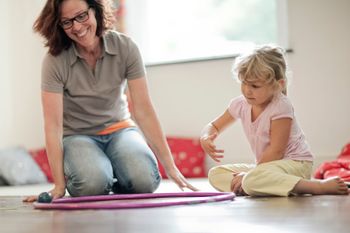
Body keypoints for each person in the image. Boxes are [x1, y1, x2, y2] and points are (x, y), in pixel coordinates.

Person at [24, 0, 196, 202]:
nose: (77, 27)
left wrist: (171, 167)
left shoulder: (126, 47)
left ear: (95, 10)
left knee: (145, 181)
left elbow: (144, 111)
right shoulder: (54, 61)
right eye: (67, 22)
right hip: (77, 136)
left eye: (81, 16)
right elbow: (53, 126)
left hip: (120, 130)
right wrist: (59, 186)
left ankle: (112, 175)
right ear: (58, 25)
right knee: (91, 184)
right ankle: (102, 177)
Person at [200, 45, 349, 197]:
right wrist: (206, 136)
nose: (247, 90)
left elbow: (276, 151)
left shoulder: (281, 106)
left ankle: (314, 186)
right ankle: (256, 184)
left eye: (255, 86)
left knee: (251, 179)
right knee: (216, 174)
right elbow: (214, 126)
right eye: (244, 83)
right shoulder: (240, 104)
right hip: (269, 167)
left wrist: (251, 173)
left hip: (296, 164)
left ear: (279, 85)